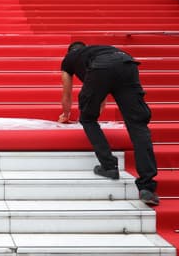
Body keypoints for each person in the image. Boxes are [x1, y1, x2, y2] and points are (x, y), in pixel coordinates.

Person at [58, 42, 159, 206]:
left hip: (100, 70)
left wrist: (66, 114)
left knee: (87, 119)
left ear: (69, 52)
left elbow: (67, 92)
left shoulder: (69, 59)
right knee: (137, 124)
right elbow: (101, 93)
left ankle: (109, 165)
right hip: (127, 63)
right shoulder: (97, 50)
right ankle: (147, 187)